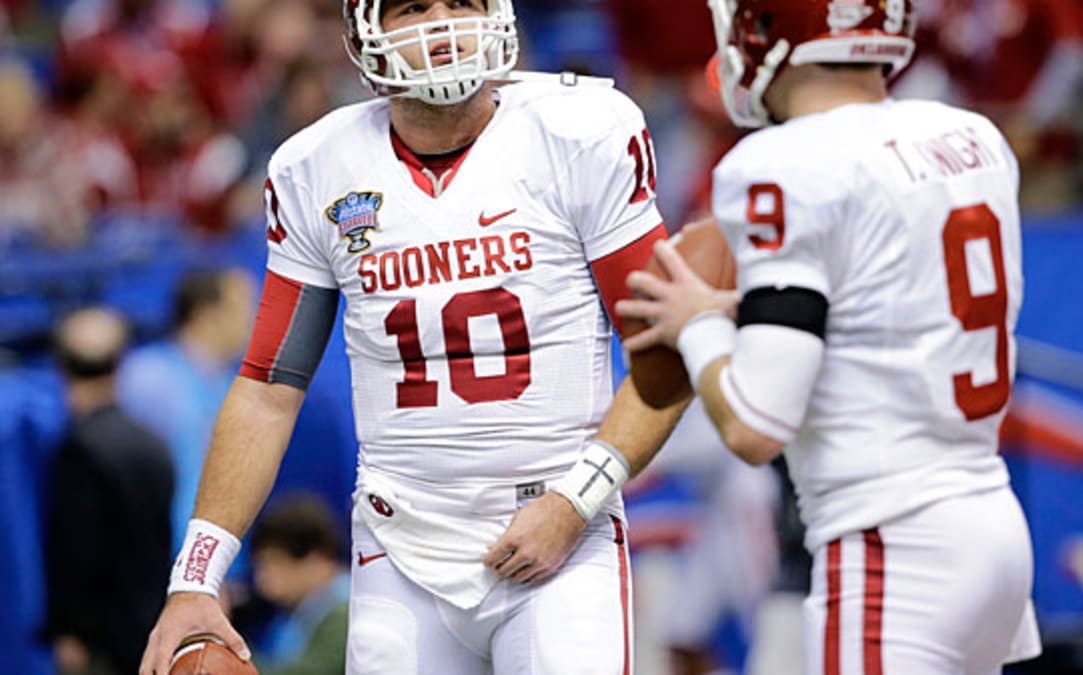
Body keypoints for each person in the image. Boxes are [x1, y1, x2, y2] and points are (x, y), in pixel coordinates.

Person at [139, 1, 686, 674]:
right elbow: (268, 387)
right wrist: (197, 574)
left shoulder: (580, 133)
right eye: (414, 7)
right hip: (400, 546)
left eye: (462, 3)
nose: (443, 24)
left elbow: (665, 356)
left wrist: (577, 500)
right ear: (363, 31)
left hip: (560, 534)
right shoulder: (317, 166)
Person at [618, 2, 1042, 673]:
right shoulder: (970, 134)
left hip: (891, 542)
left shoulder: (780, 162)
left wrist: (696, 324)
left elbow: (757, 425)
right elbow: (874, 307)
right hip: (993, 524)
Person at [43, 307, 174, 675]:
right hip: (150, 629)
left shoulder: (79, 449)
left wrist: (70, 630)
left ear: (62, 367)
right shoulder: (153, 444)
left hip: (100, 642)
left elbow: (77, 550)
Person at [119, 268, 254, 551]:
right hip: (160, 554)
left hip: (221, 558)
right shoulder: (147, 377)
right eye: (242, 310)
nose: (252, 322)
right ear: (206, 314)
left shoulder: (235, 385)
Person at [248, 495, 350, 675]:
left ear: (317, 558)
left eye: (275, 564)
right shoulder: (293, 613)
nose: (262, 581)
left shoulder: (344, 613)